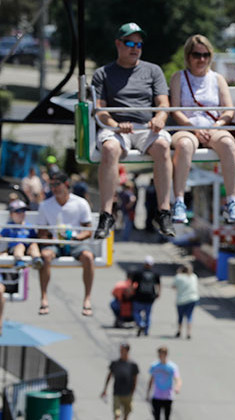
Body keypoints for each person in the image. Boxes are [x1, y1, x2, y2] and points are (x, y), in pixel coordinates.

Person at [91, 22, 175, 239]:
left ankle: (163, 210)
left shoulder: (153, 70)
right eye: (129, 43)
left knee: (163, 146)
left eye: (139, 44)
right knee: (109, 149)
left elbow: (163, 104)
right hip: (117, 128)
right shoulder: (103, 74)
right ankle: (106, 214)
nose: (135, 48)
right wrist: (115, 125)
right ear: (118, 44)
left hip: (146, 127)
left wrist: (160, 117)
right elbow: (100, 110)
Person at [169, 34, 235, 224]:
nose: (201, 59)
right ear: (188, 56)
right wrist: (193, 128)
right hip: (186, 126)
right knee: (185, 145)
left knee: (228, 142)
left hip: (213, 127)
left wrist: (214, 126)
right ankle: (179, 200)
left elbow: (228, 110)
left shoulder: (217, 79)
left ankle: (232, 201)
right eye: (196, 55)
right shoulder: (179, 77)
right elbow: (176, 110)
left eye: (205, 55)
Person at [36, 172, 96, 316]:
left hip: (75, 241)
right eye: (51, 185)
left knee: (88, 257)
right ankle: (44, 297)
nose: (54, 188)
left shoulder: (80, 203)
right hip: (55, 243)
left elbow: (88, 230)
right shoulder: (45, 205)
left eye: (57, 184)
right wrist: (53, 238)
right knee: (45, 256)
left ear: (66, 185)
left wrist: (74, 238)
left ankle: (87, 298)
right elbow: (42, 232)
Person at [101, 342, 139, 420]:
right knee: (117, 413)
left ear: (127, 351)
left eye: (123, 350)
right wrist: (105, 389)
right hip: (117, 392)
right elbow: (109, 376)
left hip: (128, 393)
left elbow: (135, 378)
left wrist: (133, 391)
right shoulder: (115, 363)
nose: (121, 352)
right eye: (121, 350)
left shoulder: (133, 365)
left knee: (126, 413)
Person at [1, 199, 42, 270]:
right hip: (14, 249)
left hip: (27, 248)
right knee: (20, 245)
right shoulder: (9, 227)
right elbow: (1, 236)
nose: (21, 214)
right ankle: (19, 261)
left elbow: (34, 238)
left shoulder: (29, 226)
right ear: (11, 214)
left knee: (33, 245)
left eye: (23, 211)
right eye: (18, 211)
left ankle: (37, 259)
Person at [147, 346, 181, 420]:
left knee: (167, 417)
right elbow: (151, 380)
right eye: (159, 354)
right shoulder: (154, 366)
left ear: (165, 354)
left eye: (161, 354)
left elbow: (177, 379)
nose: (159, 356)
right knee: (156, 417)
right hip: (157, 396)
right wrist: (148, 393)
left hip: (168, 396)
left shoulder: (172, 366)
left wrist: (177, 387)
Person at [131, 255, 160, 336]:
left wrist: (131, 292)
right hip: (150, 297)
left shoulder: (138, 273)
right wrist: (158, 293)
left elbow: (132, 284)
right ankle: (146, 331)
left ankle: (141, 323)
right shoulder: (155, 273)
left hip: (138, 297)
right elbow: (158, 285)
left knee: (136, 312)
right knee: (148, 314)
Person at [173, 262, 199, 339]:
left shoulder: (178, 276)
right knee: (189, 316)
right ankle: (188, 332)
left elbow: (174, 286)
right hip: (192, 298)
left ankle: (179, 331)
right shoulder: (194, 276)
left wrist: (178, 272)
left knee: (180, 316)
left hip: (181, 299)